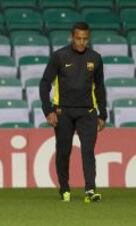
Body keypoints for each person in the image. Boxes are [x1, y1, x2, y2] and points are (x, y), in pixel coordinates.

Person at [39, 22, 107, 203]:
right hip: (63, 112)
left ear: (89, 38)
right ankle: (64, 189)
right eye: (78, 38)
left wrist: (103, 114)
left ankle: (90, 190)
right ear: (72, 37)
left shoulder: (96, 58)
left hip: (88, 112)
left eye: (85, 39)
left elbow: (100, 87)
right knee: (63, 151)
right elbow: (44, 83)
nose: (81, 42)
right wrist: (49, 110)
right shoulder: (59, 56)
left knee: (88, 151)